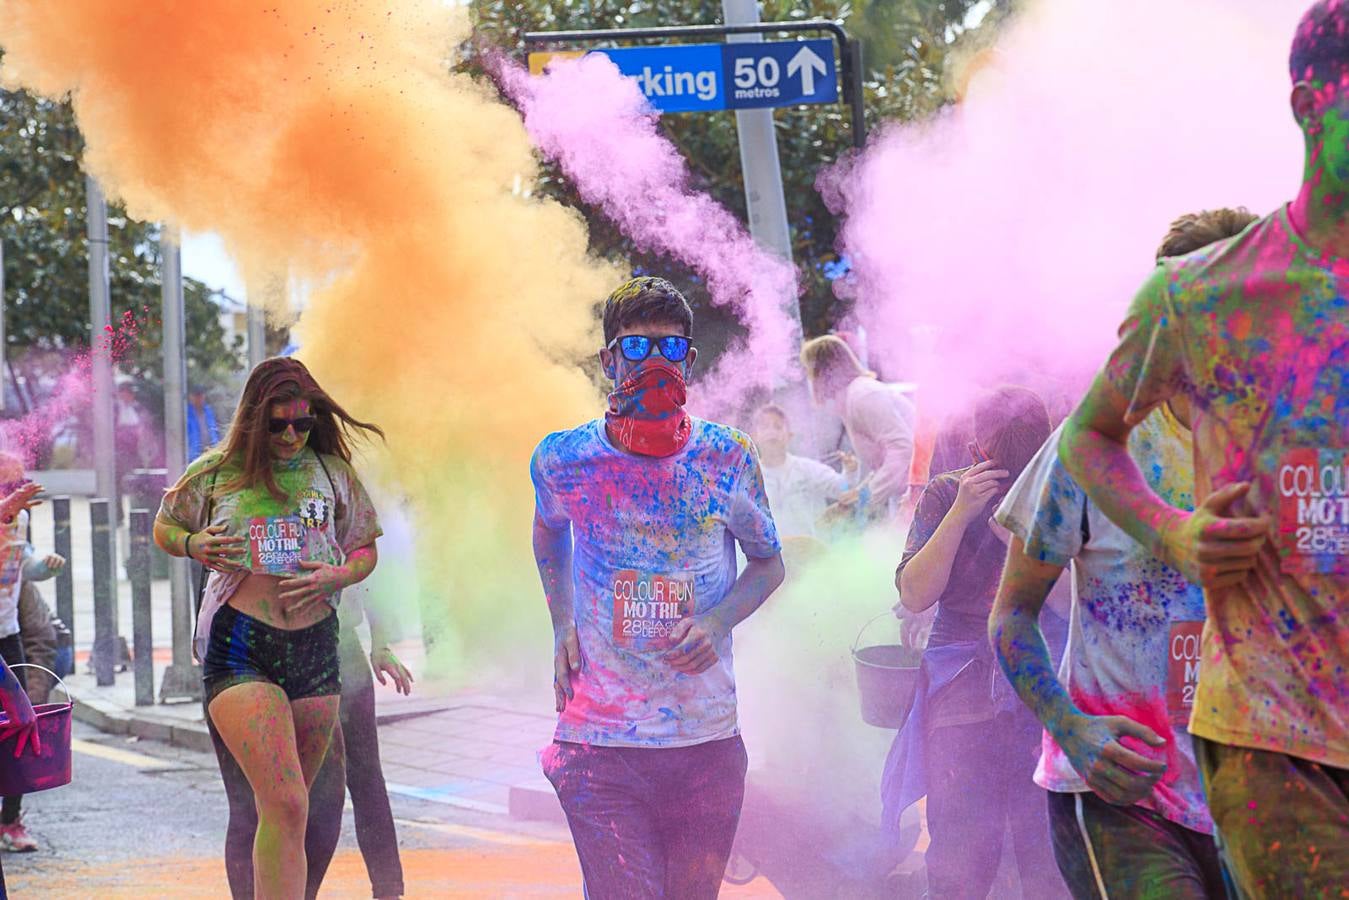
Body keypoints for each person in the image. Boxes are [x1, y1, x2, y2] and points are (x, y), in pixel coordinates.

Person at [1060, 4, 1349, 893]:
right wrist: (1172, 532)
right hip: (1278, 737)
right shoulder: (1201, 297)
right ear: (1309, 105)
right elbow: (1088, 436)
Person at [990, 209, 1257, 899]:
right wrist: (1070, 728)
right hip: (1123, 792)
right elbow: (1012, 614)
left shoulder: (1300, 446)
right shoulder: (1096, 443)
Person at [530, 276, 785, 899]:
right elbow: (547, 535)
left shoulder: (727, 456)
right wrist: (562, 621)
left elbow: (768, 564)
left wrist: (719, 622)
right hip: (599, 742)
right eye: (636, 349)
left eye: (669, 349)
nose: (654, 364)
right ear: (609, 361)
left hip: (703, 742)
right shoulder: (564, 459)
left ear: (690, 361)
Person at [154, 357, 384, 899]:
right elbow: (166, 524)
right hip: (241, 647)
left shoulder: (331, 473)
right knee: (286, 802)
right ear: (256, 419)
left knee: (289, 811)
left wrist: (340, 573)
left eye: (302, 424)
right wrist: (193, 544)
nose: (290, 435)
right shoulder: (216, 471)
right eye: (278, 423)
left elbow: (365, 547)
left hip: (315, 648)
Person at [882, 385, 1064, 899]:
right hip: (962, 694)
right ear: (976, 451)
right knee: (958, 861)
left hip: (1043, 694)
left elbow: (1074, 605)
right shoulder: (947, 491)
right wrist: (962, 512)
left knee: (1047, 861)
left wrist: (1023, 536)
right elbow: (916, 594)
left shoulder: (1059, 492)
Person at [207, 584, 413, 900]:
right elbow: (205, 566)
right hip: (244, 652)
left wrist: (381, 643)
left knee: (354, 777)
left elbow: (367, 560)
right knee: (253, 802)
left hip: (334, 646)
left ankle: (384, 890)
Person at [0, 454, 63, 854]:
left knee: (22, 725)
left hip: (8, 636)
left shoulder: (19, 519)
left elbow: (25, 563)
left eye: (20, 482)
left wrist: (47, 564)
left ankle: (11, 820)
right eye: (8, 487)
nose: (19, 492)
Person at [800, 335, 917, 521]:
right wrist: (858, 495)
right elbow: (884, 461)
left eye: (808, 370)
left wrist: (865, 499)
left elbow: (902, 449)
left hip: (923, 484)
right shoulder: (851, 399)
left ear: (822, 371)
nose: (808, 377)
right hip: (910, 490)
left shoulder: (863, 396)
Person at [749, 404, 855, 540]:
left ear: (789, 435)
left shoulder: (807, 469)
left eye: (778, 426)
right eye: (765, 427)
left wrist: (850, 470)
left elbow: (844, 488)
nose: (771, 431)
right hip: (770, 559)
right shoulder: (748, 479)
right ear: (754, 436)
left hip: (813, 556)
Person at [188, 384, 222, 461]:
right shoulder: (186, 413)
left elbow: (214, 431)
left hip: (211, 452)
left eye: (200, 395)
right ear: (191, 397)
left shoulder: (208, 411)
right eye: (196, 395)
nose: (199, 398)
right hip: (193, 455)